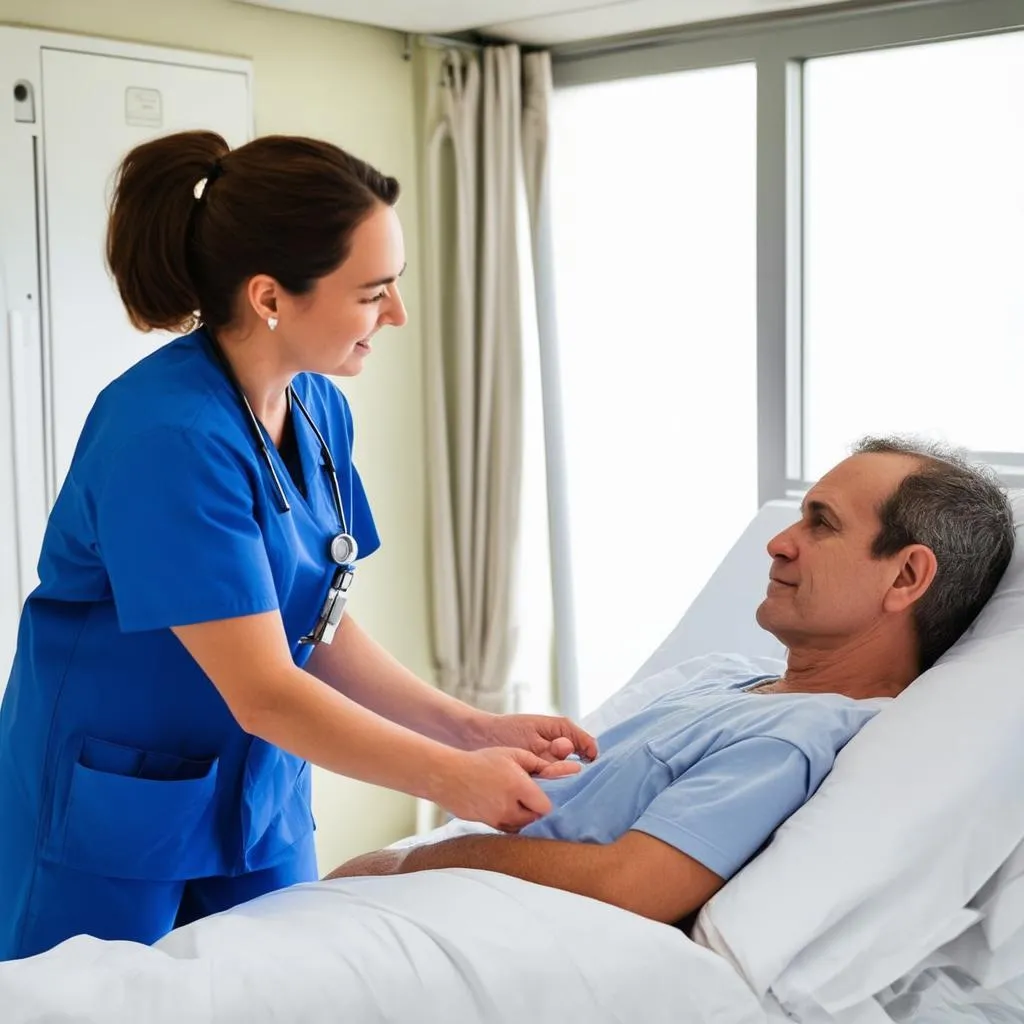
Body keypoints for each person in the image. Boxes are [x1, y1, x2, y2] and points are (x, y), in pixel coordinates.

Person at [0, 131, 596, 961]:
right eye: (372, 292)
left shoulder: (317, 405)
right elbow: (265, 689)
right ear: (271, 296)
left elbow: (317, 626)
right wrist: (448, 777)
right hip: (111, 812)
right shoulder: (166, 435)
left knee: (284, 992)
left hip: (257, 801)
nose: (396, 314)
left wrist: (472, 729)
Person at [327, 438, 1015, 926]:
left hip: (457, 910)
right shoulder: (733, 681)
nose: (780, 542)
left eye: (821, 524)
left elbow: (637, 887)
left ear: (905, 577)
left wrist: (420, 860)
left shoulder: (803, 733)